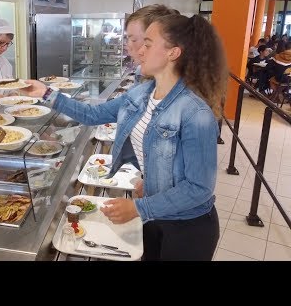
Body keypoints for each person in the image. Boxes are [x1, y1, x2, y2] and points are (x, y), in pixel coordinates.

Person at [25, 13, 228, 260]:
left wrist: (138, 207)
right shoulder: (142, 94)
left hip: (188, 228)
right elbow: (93, 114)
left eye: (148, 44)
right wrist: (46, 93)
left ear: (173, 53)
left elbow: (199, 188)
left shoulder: (196, 113)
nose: (139, 50)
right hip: (154, 216)